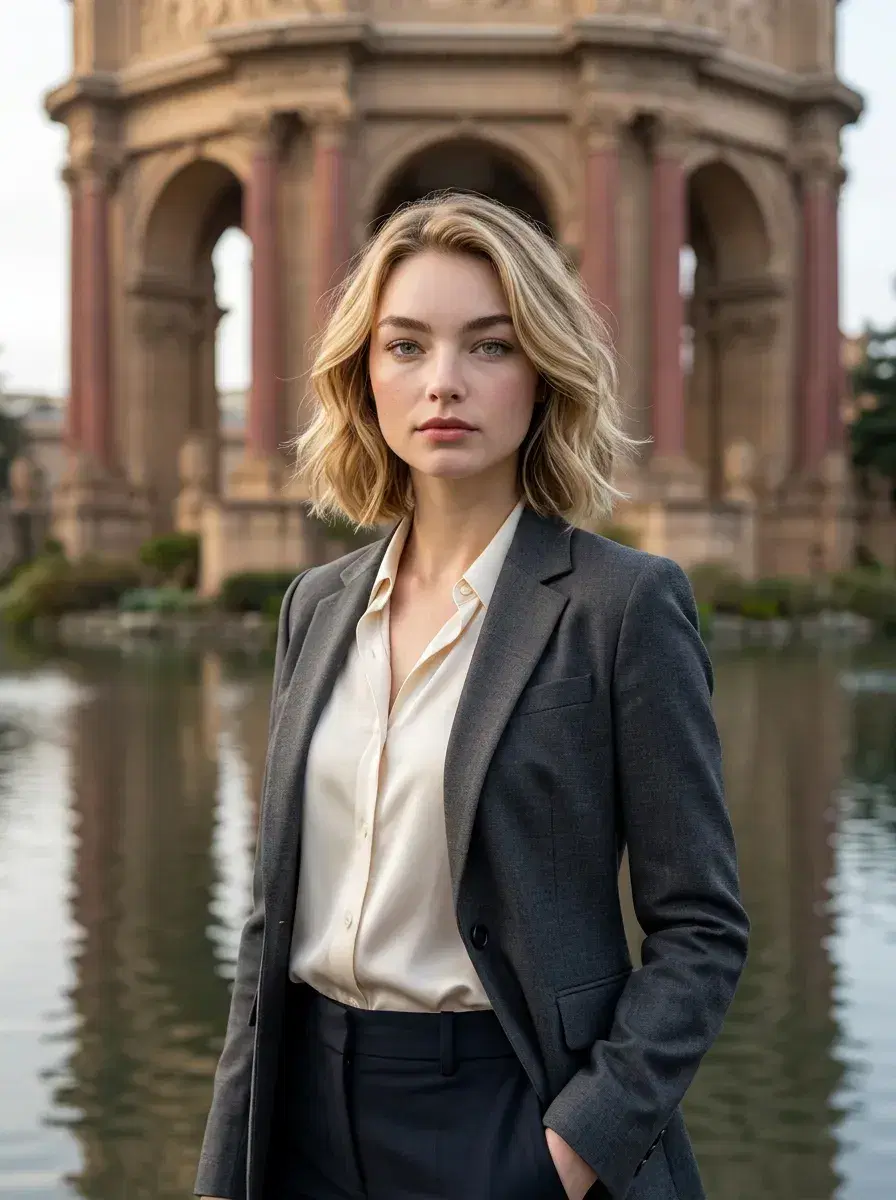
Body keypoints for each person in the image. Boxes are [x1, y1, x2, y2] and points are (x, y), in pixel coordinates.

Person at [195, 192, 749, 1200]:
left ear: (541, 373)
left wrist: (568, 1153)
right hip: (303, 1115)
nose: (441, 383)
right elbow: (270, 921)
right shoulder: (315, 607)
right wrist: (225, 1165)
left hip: (506, 1110)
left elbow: (700, 929)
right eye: (404, 346)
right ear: (363, 376)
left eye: (487, 347)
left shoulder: (621, 606)